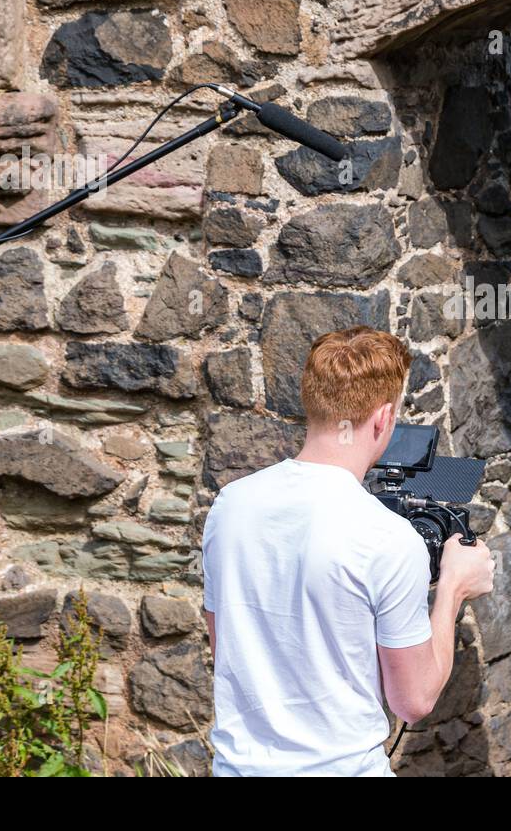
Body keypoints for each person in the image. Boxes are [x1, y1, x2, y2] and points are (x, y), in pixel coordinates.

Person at [202, 326, 494, 776]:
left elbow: (228, 651)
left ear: (310, 401)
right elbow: (414, 701)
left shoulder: (230, 505)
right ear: (384, 418)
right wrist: (453, 588)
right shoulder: (388, 537)